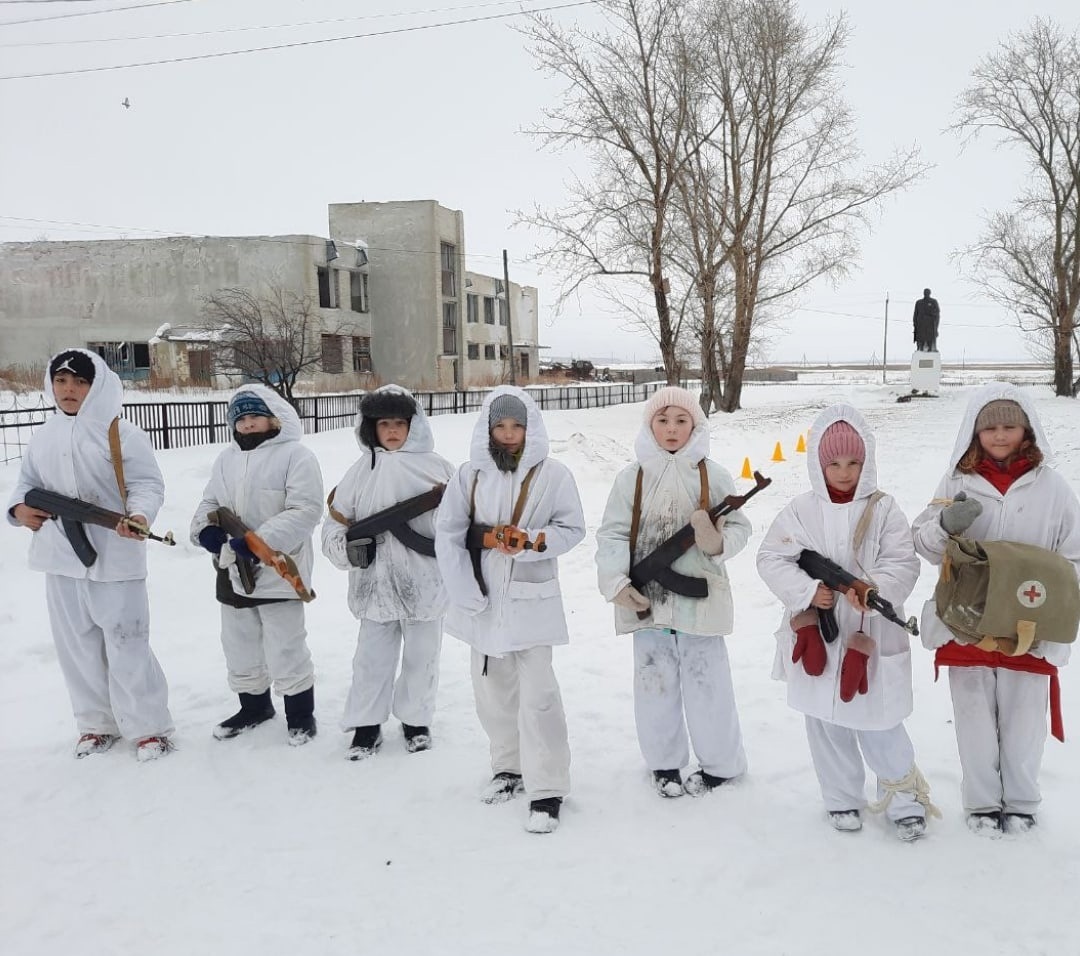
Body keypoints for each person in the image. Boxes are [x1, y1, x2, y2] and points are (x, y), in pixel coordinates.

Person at [757, 405, 936, 841]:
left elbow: (904, 563)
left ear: (867, 461)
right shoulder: (800, 510)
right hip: (817, 628)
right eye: (833, 463)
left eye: (853, 463)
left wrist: (872, 590)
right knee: (825, 720)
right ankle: (841, 797)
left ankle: (904, 797)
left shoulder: (885, 508)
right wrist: (806, 592)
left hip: (870, 630)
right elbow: (771, 558)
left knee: (880, 720)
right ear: (818, 464)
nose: (843, 472)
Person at [912, 385, 1080, 835]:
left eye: (1009, 425)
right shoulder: (956, 483)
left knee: (1025, 719)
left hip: (1029, 624)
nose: (1000, 435)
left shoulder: (1055, 489)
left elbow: (1073, 557)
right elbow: (923, 542)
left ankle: (1022, 802)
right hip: (967, 622)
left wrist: (1055, 598)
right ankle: (982, 803)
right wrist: (944, 526)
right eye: (990, 427)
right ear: (975, 431)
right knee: (973, 719)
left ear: (1027, 428)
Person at [7, 348, 174, 761]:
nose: (69, 390)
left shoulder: (121, 433)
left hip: (115, 556)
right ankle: (96, 725)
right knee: (77, 647)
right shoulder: (44, 435)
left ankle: (148, 728)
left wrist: (137, 515)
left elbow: (147, 485)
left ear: (95, 385)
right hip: (58, 559)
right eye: (61, 381)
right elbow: (24, 485)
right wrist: (18, 511)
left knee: (127, 643)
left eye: (79, 382)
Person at [435, 386, 585, 834]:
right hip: (483, 600)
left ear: (530, 427)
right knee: (493, 694)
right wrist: (463, 590)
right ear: (488, 428)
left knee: (538, 696)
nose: (508, 434)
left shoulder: (553, 475)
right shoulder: (470, 476)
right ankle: (508, 767)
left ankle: (548, 788)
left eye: (516, 426)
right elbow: (448, 532)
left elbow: (572, 527)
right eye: (500, 426)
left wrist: (533, 543)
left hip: (530, 600)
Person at [595, 386, 751, 798]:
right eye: (662, 420)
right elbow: (611, 534)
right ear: (650, 425)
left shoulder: (712, 475)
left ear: (695, 425)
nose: (671, 429)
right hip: (646, 602)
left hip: (702, 604)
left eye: (681, 421)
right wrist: (616, 583)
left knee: (709, 686)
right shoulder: (632, 478)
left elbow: (740, 528)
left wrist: (716, 541)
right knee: (655, 686)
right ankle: (664, 764)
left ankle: (721, 765)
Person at [322, 386, 455, 760]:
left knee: (422, 657)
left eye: (400, 422)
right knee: (370, 660)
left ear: (414, 425)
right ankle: (366, 725)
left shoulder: (439, 469)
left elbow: (457, 525)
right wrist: (345, 551)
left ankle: (416, 721)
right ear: (371, 428)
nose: (393, 431)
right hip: (374, 586)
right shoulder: (358, 473)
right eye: (384, 423)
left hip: (425, 584)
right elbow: (333, 527)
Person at [190, 384, 323, 745]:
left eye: (255, 416)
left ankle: (300, 715)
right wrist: (206, 531)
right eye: (241, 418)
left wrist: (257, 543)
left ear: (272, 419)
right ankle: (254, 707)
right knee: (239, 642)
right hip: (231, 569)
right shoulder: (226, 459)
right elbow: (210, 502)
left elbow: (306, 510)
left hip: (278, 567)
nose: (248, 424)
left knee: (285, 644)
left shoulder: (296, 457)